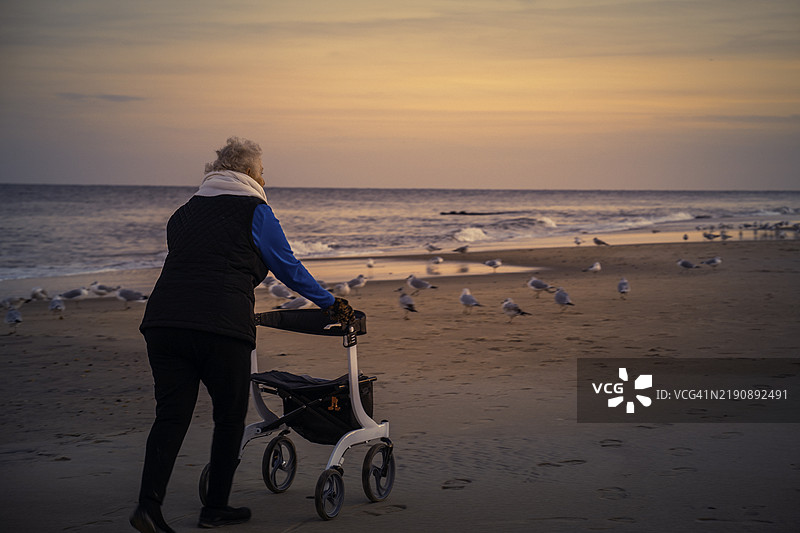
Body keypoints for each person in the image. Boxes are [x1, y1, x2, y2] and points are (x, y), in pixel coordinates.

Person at [130, 137, 354, 532]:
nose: (266, 178)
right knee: (229, 416)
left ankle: (148, 507)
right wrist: (329, 303)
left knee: (170, 416)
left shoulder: (182, 213)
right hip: (220, 326)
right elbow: (288, 266)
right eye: (263, 171)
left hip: (163, 323)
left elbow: (193, 263)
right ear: (249, 173)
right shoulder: (256, 210)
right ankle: (215, 507)